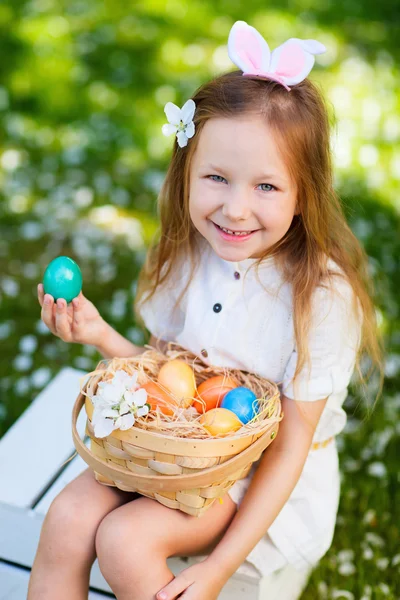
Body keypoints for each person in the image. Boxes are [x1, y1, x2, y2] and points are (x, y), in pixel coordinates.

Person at [29, 20, 384, 600]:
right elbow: (172, 382)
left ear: (304, 193)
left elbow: (289, 448)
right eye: (216, 177)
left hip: (258, 484)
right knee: (68, 519)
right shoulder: (188, 256)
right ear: (186, 175)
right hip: (179, 451)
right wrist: (99, 335)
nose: (235, 208)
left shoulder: (318, 296)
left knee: (124, 540)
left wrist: (217, 568)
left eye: (266, 187)